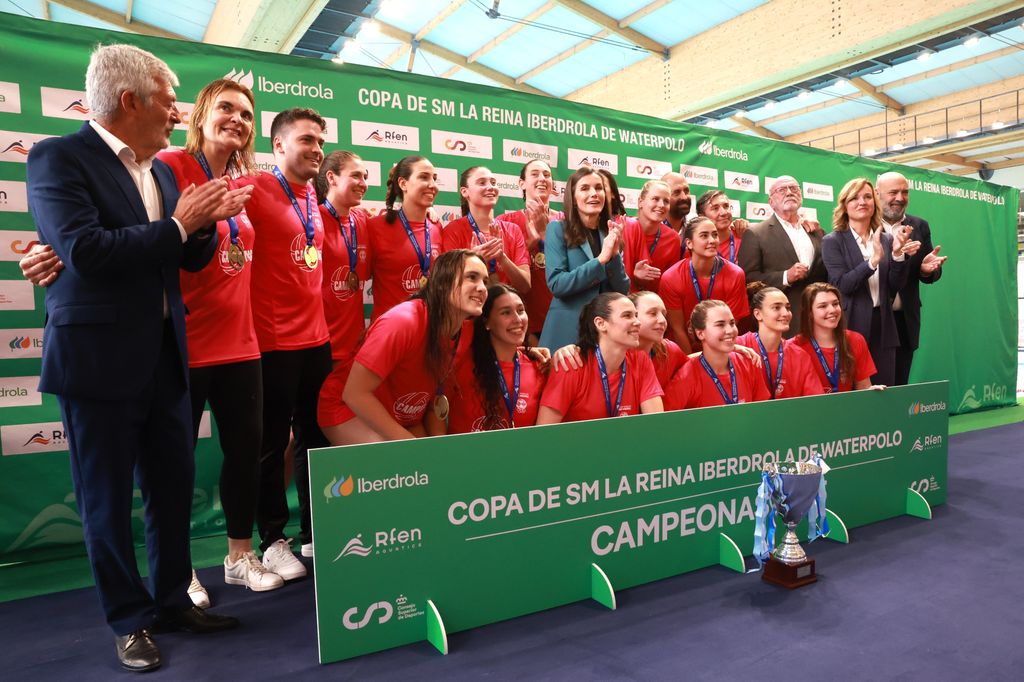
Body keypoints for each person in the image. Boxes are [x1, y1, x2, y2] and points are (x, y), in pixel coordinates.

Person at [25, 44, 248, 672]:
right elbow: (86, 252)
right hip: (96, 363)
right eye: (170, 101)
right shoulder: (56, 159)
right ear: (131, 100)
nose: (177, 114)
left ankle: (174, 599)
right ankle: (129, 619)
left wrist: (204, 226)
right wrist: (180, 225)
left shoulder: (166, 172)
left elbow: (183, 260)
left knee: (172, 490)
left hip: (165, 360)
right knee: (104, 500)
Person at [158, 78, 283, 597]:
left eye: (247, 114)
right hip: (184, 342)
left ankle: (239, 555)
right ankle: (179, 569)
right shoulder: (169, 165)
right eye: (227, 108)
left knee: (245, 453)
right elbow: (155, 238)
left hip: (241, 344)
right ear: (202, 112)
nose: (237, 119)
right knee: (175, 461)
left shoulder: (243, 179)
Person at [246, 108, 331, 569]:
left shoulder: (313, 195)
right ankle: (272, 540)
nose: (316, 149)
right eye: (306, 140)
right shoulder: (256, 188)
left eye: (320, 141)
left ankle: (315, 530)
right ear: (278, 145)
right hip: (272, 341)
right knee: (271, 443)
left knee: (314, 440)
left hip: (316, 340)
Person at [320, 250, 487, 443]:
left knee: (433, 467)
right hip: (346, 406)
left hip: (404, 416)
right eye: (472, 277)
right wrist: (409, 447)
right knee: (399, 462)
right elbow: (354, 394)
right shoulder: (403, 321)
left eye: (485, 280)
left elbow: (435, 397)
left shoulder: (465, 332)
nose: (482, 288)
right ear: (443, 282)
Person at [822, 177, 917, 385]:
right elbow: (842, 285)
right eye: (854, 198)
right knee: (854, 395)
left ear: (875, 203)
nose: (862, 202)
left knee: (885, 394)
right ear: (845, 206)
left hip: (884, 327)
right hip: (851, 326)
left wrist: (899, 255)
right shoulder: (833, 241)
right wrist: (872, 262)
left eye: (867, 197)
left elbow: (895, 286)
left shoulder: (886, 239)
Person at [538, 292, 664, 423]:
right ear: (600, 323)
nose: (638, 322)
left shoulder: (641, 361)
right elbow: (543, 432)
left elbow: (657, 424)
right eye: (627, 316)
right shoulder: (571, 364)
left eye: (636, 316)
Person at [539, 166, 629, 350]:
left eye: (598, 188)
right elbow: (557, 284)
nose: (594, 193)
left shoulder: (611, 232)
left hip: (605, 335)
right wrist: (600, 260)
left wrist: (613, 258)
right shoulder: (557, 229)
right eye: (585, 188)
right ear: (573, 197)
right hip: (567, 332)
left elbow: (622, 290)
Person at [875, 171, 948, 385]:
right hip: (874, 319)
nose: (899, 197)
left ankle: (898, 420)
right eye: (893, 192)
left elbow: (928, 269)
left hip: (905, 320)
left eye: (904, 192)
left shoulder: (920, 226)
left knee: (900, 383)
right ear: (877, 193)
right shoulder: (865, 226)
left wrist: (927, 270)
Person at [447, 283, 547, 432]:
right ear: (486, 322)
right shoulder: (461, 361)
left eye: (520, 311)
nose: (517, 319)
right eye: (506, 312)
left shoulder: (538, 367)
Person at [737, 176, 826, 335]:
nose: (789, 192)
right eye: (782, 190)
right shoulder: (756, 233)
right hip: (783, 323)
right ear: (771, 202)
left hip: (820, 320)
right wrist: (785, 276)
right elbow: (749, 279)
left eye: (794, 188)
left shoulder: (816, 231)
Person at [365, 155, 442, 320]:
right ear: (403, 183)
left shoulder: (436, 226)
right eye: (423, 177)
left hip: (428, 330)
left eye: (434, 179)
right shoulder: (375, 227)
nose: (432, 185)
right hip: (389, 332)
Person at [497, 159, 563, 345]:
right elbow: (501, 273)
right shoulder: (506, 222)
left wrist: (546, 237)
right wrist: (528, 245)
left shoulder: (566, 222)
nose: (542, 179)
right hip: (518, 321)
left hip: (559, 317)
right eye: (535, 174)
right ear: (521, 183)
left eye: (547, 175)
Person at [661, 216, 749, 352]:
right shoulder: (671, 277)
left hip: (720, 347)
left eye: (715, 235)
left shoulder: (735, 274)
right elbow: (677, 330)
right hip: (683, 350)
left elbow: (728, 328)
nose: (712, 240)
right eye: (704, 235)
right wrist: (691, 363)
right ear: (689, 243)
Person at [663, 300, 771, 409]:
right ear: (700, 333)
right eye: (720, 325)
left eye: (732, 323)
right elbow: (663, 421)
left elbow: (761, 413)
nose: (730, 330)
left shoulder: (749, 363)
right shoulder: (685, 377)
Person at [441, 165, 530, 292]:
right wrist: (473, 260)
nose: (491, 187)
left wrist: (502, 258)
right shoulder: (453, 230)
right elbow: (447, 285)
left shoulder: (513, 230)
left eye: (493, 182)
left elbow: (525, 286)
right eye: (482, 183)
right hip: (471, 309)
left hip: (504, 308)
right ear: (465, 192)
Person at [735, 283, 823, 399]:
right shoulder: (738, 346)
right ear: (758, 314)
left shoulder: (800, 356)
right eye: (776, 307)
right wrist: (731, 348)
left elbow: (816, 402)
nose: (786, 313)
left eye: (787, 308)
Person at [791, 283, 877, 393]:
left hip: (845, 408)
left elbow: (864, 387)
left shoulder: (855, 340)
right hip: (810, 409)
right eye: (823, 306)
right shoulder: (794, 346)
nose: (832, 310)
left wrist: (872, 393)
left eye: (835, 304)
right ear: (809, 312)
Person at [622, 180, 681, 294]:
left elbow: (668, 283)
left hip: (652, 303)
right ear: (640, 202)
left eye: (666, 201)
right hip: (621, 301)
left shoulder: (673, 238)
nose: (661, 205)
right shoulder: (623, 227)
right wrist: (635, 277)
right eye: (655, 199)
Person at [630, 291, 688, 390]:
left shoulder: (670, 350)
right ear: (631, 317)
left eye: (664, 314)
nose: (662, 320)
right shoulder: (615, 356)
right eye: (652, 313)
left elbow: (694, 367)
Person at [695, 189, 748, 264]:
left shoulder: (742, 236)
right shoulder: (696, 247)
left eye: (726, 206)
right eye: (715, 208)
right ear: (702, 217)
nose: (724, 212)